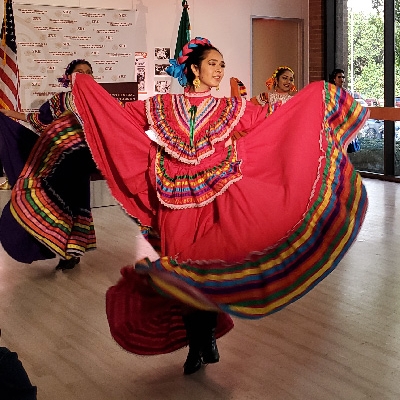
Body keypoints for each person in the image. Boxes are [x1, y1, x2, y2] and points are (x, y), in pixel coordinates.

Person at [70, 37, 368, 375]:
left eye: (222, 65)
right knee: (182, 268)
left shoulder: (230, 108)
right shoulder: (162, 105)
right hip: (174, 199)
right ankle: (201, 340)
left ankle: (202, 340)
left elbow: (271, 119)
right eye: (213, 64)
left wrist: (315, 100)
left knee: (206, 265)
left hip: (217, 196)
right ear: (194, 69)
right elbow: (120, 115)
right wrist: (86, 89)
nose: (219, 70)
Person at [0, 59, 97, 270]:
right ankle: (45, 243)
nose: (84, 75)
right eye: (79, 71)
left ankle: (70, 254)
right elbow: (41, 121)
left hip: (80, 163)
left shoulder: (99, 102)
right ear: (69, 77)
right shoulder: (60, 100)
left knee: (76, 207)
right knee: (55, 204)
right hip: (58, 162)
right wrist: (11, 116)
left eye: (88, 72)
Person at [328, 68, 361, 153]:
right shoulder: (330, 92)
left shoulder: (348, 93)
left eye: (343, 77)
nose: (342, 79)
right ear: (334, 79)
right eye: (339, 77)